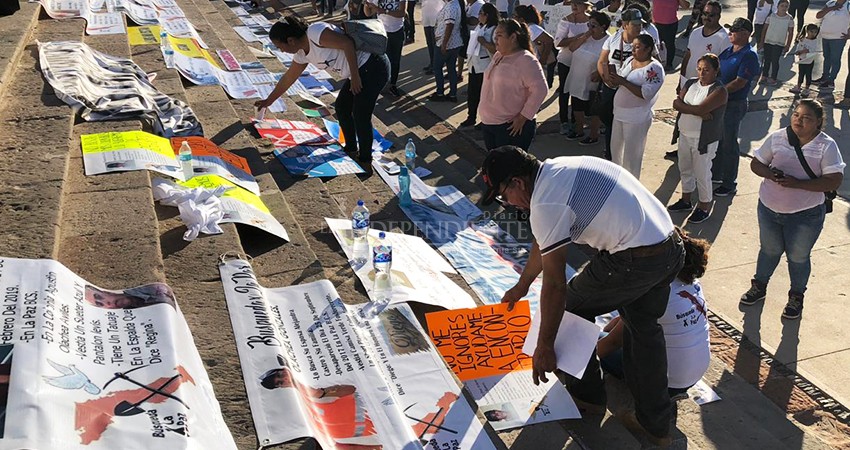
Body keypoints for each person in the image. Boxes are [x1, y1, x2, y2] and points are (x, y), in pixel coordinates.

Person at [482, 146, 685, 447]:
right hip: (669, 248)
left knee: (571, 305)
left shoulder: (546, 202)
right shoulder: (558, 167)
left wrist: (545, 345)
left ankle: (587, 397)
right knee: (643, 330)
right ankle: (656, 425)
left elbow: (555, 285)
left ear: (517, 183)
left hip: (635, 258)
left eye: (503, 195)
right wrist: (523, 285)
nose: (507, 204)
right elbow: (545, 238)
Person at [740, 99, 845, 320]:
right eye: (796, 115)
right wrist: (770, 174)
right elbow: (756, 163)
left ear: (818, 123)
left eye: (806, 118)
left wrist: (797, 183)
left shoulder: (826, 146)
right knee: (768, 250)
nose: (799, 120)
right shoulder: (778, 137)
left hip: (806, 215)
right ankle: (759, 286)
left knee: (798, 257)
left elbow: (833, 180)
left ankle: (796, 296)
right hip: (769, 209)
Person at [257, 16, 390, 164]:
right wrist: (269, 100)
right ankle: (351, 148)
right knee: (342, 107)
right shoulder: (301, 54)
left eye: (279, 46)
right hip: (358, 72)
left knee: (360, 114)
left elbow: (347, 43)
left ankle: (365, 160)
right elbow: (288, 78)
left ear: (290, 40)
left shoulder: (315, 32)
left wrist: (355, 76)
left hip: (373, 66)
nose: (280, 50)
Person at [598, 228, 711, 399]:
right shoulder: (689, 280)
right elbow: (623, 322)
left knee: (587, 341)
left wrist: (575, 362)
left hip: (666, 381)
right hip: (692, 375)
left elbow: (613, 342)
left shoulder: (652, 290)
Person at [260, 366, 381, 449]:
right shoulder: (304, 407)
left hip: (381, 404)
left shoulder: (315, 379)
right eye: (280, 382)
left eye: (281, 374)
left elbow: (354, 387)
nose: (285, 379)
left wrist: (323, 392)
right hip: (382, 431)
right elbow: (337, 446)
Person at [669, 53, 728, 224]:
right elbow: (676, 104)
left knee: (702, 173)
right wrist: (698, 112)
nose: (702, 73)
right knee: (685, 168)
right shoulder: (690, 83)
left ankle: (704, 205)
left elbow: (700, 108)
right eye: (700, 69)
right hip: (685, 134)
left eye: (707, 70)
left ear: (716, 71)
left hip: (703, 140)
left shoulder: (719, 90)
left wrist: (693, 109)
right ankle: (685, 200)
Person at [478, 19, 548, 150]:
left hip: (509, 128)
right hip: (489, 123)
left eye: (499, 35)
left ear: (513, 37)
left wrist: (523, 117)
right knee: (495, 166)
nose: (495, 39)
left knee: (509, 169)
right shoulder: (499, 55)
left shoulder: (526, 60)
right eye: (495, 35)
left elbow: (541, 90)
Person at [712, 17, 759, 197]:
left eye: (735, 30)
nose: (730, 33)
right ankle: (717, 174)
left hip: (734, 104)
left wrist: (719, 92)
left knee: (729, 143)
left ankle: (729, 182)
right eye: (730, 29)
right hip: (720, 102)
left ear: (746, 33)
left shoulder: (748, 55)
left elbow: (740, 82)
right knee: (718, 140)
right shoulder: (728, 51)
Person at [609, 34, 665, 179]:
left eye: (638, 47)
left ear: (648, 49)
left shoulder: (654, 68)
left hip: (636, 117)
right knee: (616, 151)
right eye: (632, 47)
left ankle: (631, 186)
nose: (633, 50)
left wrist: (623, 82)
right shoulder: (629, 60)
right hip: (619, 114)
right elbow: (621, 79)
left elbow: (646, 94)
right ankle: (617, 181)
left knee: (631, 155)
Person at [597, 8, 649, 159]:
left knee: (630, 125)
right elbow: (602, 61)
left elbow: (654, 63)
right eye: (635, 24)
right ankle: (610, 154)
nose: (639, 27)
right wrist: (605, 78)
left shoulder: (646, 40)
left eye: (641, 24)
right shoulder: (613, 38)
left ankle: (630, 156)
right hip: (612, 88)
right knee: (611, 124)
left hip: (632, 90)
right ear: (625, 25)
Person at [565, 11, 611, 145]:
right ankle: (579, 129)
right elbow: (572, 48)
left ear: (603, 27)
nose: (590, 28)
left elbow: (609, 61)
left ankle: (593, 134)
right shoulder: (585, 36)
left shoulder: (608, 41)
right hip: (577, 76)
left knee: (593, 109)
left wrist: (599, 72)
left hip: (592, 80)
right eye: (589, 25)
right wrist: (585, 35)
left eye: (594, 26)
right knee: (577, 105)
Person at [554, 0, 592, 136]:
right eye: (573, 4)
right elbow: (558, 42)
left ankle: (577, 121)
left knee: (580, 90)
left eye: (578, 3)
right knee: (565, 91)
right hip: (567, 61)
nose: (574, 7)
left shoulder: (591, 21)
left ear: (585, 6)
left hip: (584, 62)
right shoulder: (565, 21)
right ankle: (564, 121)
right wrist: (576, 38)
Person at [461, 3, 499, 127]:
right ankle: (471, 116)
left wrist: (484, 42)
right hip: (474, 65)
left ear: (487, 15)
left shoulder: (494, 29)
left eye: (481, 13)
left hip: (485, 67)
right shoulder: (480, 26)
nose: (478, 16)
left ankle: (485, 120)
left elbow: (496, 49)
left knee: (485, 96)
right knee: (473, 94)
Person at [365, 0, 407, 97]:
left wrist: (383, 10)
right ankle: (382, 83)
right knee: (384, 59)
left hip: (397, 31)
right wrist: (367, 4)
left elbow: (402, 13)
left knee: (395, 60)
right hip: (383, 31)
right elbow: (368, 13)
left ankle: (392, 84)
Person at [429, 0, 466, 102]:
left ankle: (440, 92)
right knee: (451, 69)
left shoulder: (451, 7)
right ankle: (452, 94)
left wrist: (444, 44)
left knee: (437, 68)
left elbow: (449, 25)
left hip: (447, 44)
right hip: (454, 43)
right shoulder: (454, 4)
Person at [814, 0, 850, 91]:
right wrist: (831, 8)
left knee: (835, 59)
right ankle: (824, 77)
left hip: (838, 38)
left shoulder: (848, 5)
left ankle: (831, 80)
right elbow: (819, 15)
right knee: (827, 58)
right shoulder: (830, 3)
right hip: (825, 36)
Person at [514, 5, 556, 80]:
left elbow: (549, 40)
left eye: (515, 16)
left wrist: (543, 59)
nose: (513, 18)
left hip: (535, 66)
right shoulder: (525, 28)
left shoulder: (532, 28)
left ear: (521, 19)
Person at [758, 0, 794, 86]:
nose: (784, 8)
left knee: (775, 61)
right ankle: (764, 75)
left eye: (786, 6)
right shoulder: (771, 16)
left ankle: (773, 78)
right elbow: (764, 29)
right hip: (768, 42)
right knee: (766, 60)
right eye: (782, 6)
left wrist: (788, 45)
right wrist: (761, 42)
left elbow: (790, 33)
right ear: (777, 6)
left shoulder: (789, 19)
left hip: (779, 43)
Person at [653, 0, 691, 71]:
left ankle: (669, 64)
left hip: (670, 25)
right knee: (655, 44)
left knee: (670, 45)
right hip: (656, 23)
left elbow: (686, 6)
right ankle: (654, 64)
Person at [84, 283, 177, 309]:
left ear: (108, 292)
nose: (106, 303)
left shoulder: (154, 291)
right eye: (99, 304)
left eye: (99, 297)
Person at [790, 24, 820, 95]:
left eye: (815, 32)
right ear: (807, 31)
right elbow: (799, 48)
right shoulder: (802, 39)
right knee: (801, 73)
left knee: (808, 74)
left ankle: (807, 88)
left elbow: (813, 49)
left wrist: (805, 51)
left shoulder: (815, 41)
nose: (813, 34)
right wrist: (798, 52)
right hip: (802, 59)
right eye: (812, 31)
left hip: (809, 61)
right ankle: (798, 86)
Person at [421, 0, 443, 73]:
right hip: (426, 17)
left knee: (435, 44)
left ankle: (436, 65)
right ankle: (432, 63)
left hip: (436, 18)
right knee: (429, 43)